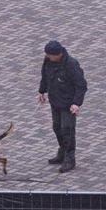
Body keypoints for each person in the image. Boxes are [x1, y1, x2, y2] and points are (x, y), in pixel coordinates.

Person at [37, 40, 87, 174]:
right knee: (57, 127)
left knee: (67, 130)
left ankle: (70, 157)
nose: (47, 57)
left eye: (50, 55)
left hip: (68, 104)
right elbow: (45, 76)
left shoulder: (71, 65)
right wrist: (42, 91)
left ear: (57, 54)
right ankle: (62, 151)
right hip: (55, 101)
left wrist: (76, 103)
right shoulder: (48, 61)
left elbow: (81, 85)